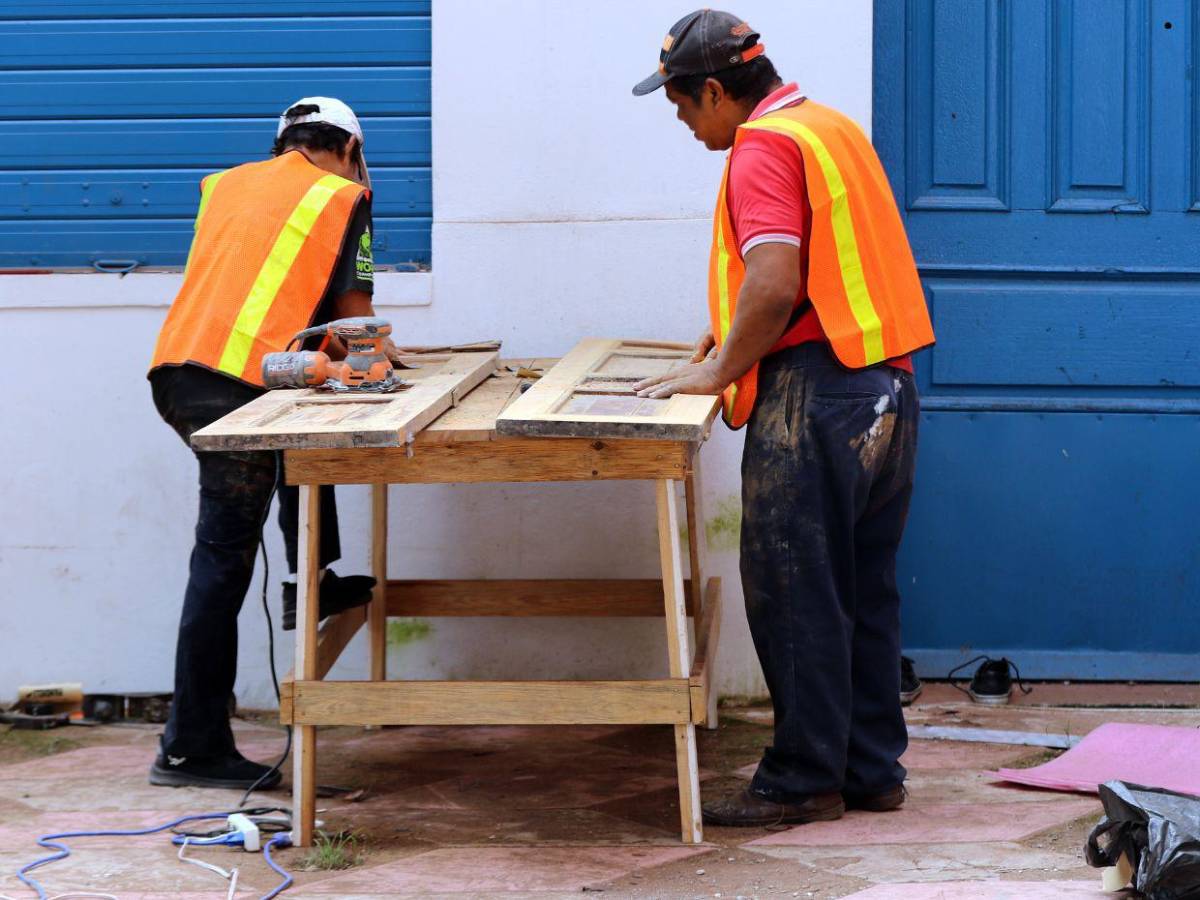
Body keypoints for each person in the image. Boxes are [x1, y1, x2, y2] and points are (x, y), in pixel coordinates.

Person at [632, 11, 936, 826]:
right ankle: (871, 769)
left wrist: (716, 370)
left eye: (683, 106)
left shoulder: (763, 146)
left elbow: (774, 284)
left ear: (715, 91)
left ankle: (803, 779)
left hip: (815, 393)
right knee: (862, 589)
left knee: (795, 587)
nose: (685, 121)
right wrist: (731, 336)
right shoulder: (829, 128)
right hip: (886, 387)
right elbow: (826, 268)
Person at [147, 97, 389, 789]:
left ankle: (313, 581)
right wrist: (381, 358)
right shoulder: (344, 196)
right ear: (346, 147)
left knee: (302, 442)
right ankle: (191, 746)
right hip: (236, 389)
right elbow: (356, 320)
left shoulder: (225, 185)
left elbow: (263, 290)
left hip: (179, 373)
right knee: (222, 560)